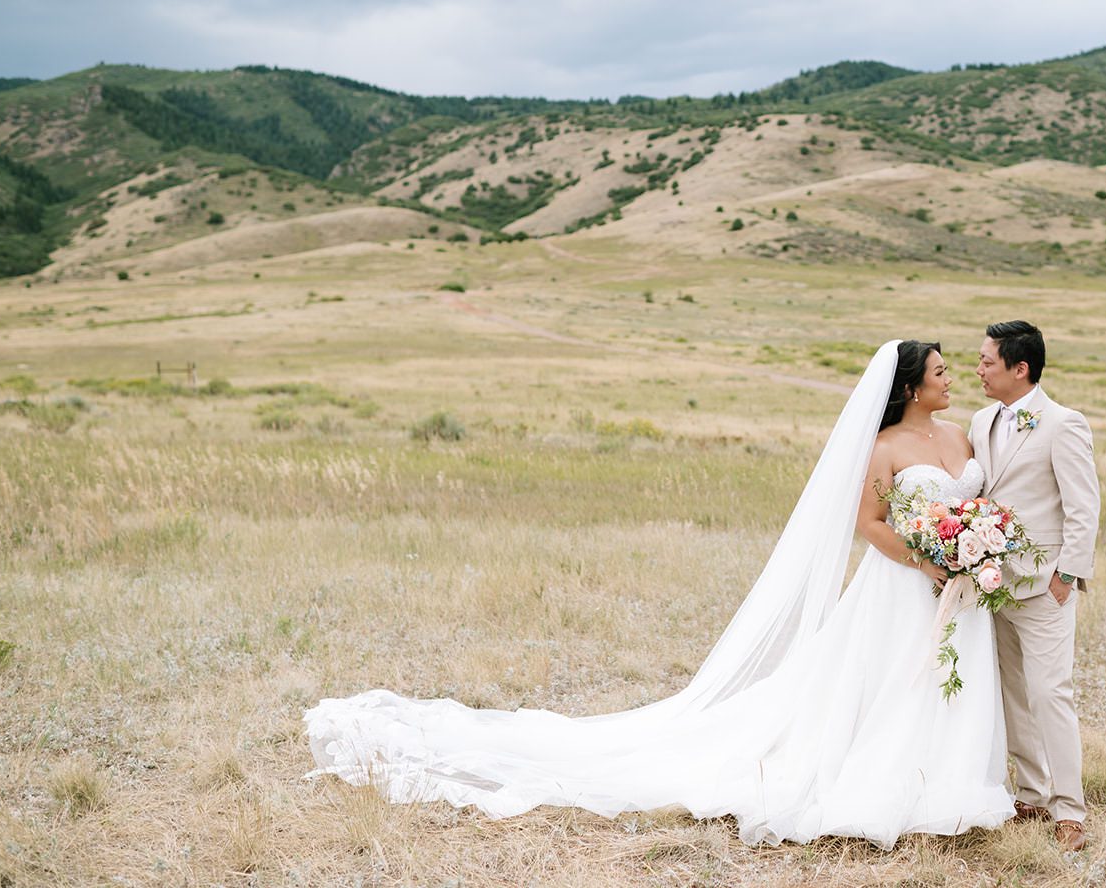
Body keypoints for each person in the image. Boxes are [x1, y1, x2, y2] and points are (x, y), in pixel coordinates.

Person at [305, 340, 1014, 849]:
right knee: (891, 682)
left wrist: (972, 552)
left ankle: (949, 783)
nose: (952, 381)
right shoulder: (886, 446)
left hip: (965, 586)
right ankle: (894, 781)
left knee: (944, 682)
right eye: (942, 373)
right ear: (911, 385)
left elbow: (972, 501)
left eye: (953, 371)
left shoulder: (961, 434)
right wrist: (930, 567)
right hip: (902, 588)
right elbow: (870, 525)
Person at [970, 319, 1100, 853]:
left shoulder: (1062, 423)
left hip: (1045, 585)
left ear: (1020, 368)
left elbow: (1083, 506)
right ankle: (1029, 793)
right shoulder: (979, 421)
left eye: (987, 362)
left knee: (1052, 694)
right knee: (1013, 693)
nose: (977, 369)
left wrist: (1065, 577)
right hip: (992, 583)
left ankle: (1070, 810)